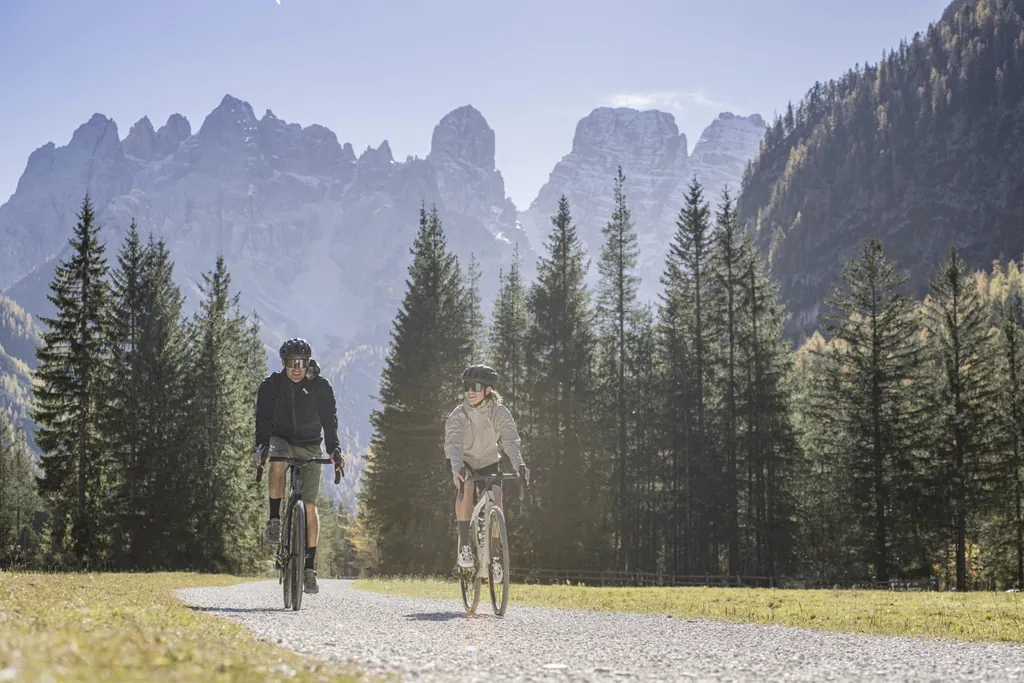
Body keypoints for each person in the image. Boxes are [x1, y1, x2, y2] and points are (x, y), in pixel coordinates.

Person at [253, 337, 344, 595]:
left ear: (308, 363)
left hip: (310, 443)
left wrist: (334, 450)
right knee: (278, 460)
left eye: (301, 363)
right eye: (292, 362)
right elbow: (263, 418)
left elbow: (329, 420)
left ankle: (309, 568)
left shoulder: (320, 387)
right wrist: (261, 446)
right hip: (280, 438)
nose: (297, 368)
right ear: (283, 363)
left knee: (311, 506)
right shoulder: (271, 386)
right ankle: (274, 518)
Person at [444, 364, 530, 575]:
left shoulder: (499, 412)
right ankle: (464, 547)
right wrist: (457, 468)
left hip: (490, 462)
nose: (470, 391)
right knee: (467, 484)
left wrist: (519, 463)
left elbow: (510, 440)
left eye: (475, 386)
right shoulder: (459, 414)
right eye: (466, 387)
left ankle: (495, 555)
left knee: (496, 498)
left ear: (488, 390)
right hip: (463, 461)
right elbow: (453, 444)